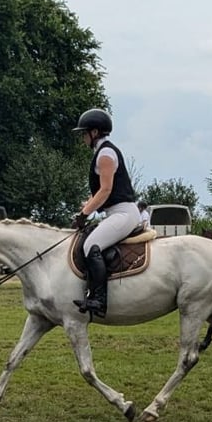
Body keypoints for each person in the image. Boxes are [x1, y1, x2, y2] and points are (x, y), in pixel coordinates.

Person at [70, 108, 140, 318]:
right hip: (115, 212)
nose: (82, 137)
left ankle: (99, 299)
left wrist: (84, 214)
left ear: (95, 132)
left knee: (92, 245)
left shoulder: (106, 154)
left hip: (124, 213)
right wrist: (86, 207)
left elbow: (106, 190)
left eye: (84, 133)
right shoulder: (102, 152)